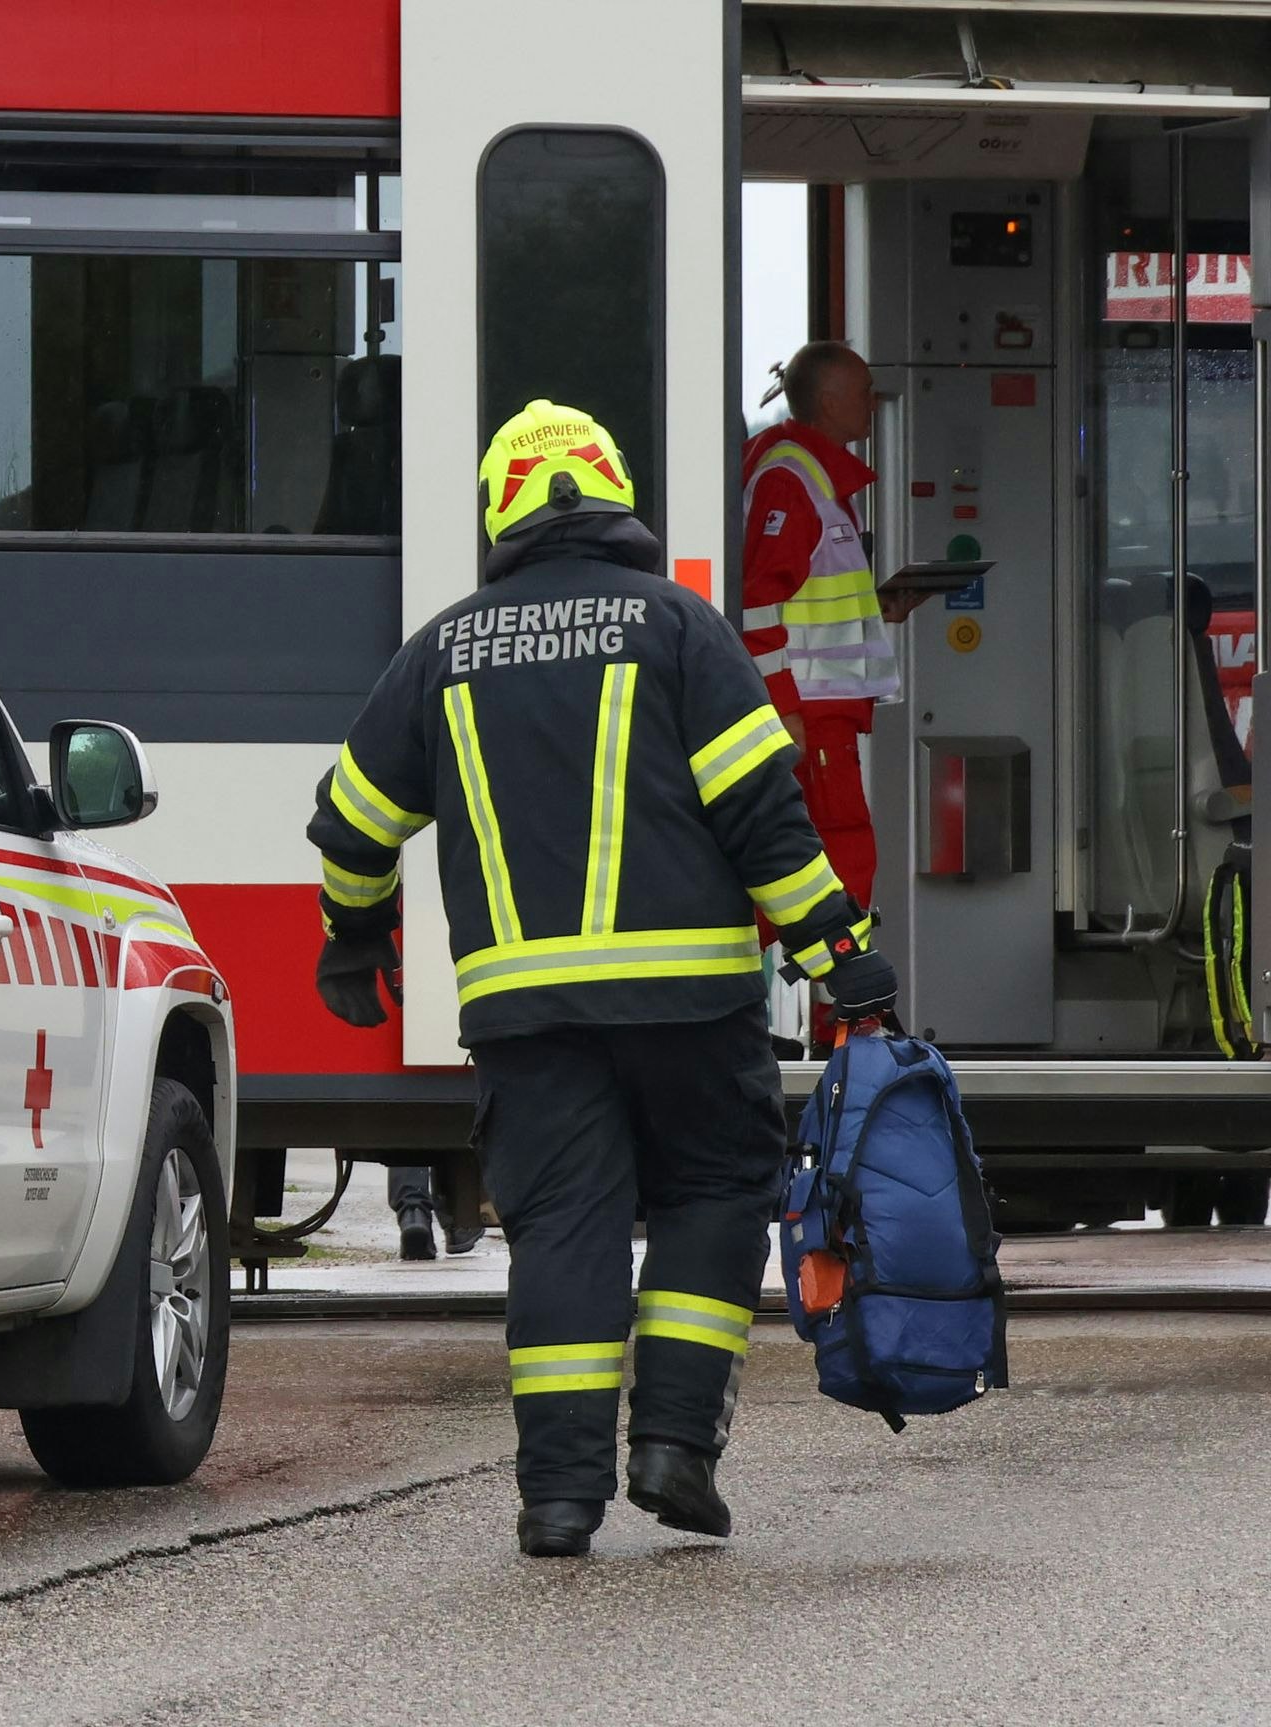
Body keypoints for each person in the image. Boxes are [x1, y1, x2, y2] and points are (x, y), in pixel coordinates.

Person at [311, 401, 892, 1558]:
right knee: (714, 1196)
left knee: (563, 1231)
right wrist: (839, 956)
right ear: (614, 491)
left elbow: (354, 822)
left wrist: (354, 934)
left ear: (501, 511)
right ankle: (673, 1447)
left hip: (525, 1016)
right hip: (691, 1003)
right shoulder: (678, 627)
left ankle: (558, 1500)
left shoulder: (442, 650)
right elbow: (763, 817)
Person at [738, 343, 942, 913]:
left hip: (820, 713)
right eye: (864, 393)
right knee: (840, 856)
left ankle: (839, 968)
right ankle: (845, 972)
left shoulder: (810, 477)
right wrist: (785, 710)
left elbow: (803, 595)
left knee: (822, 856)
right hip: (811, 714)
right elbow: (757, 607)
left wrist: (877, 607)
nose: (874, 403)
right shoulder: (794, 481)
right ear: (829, 402)